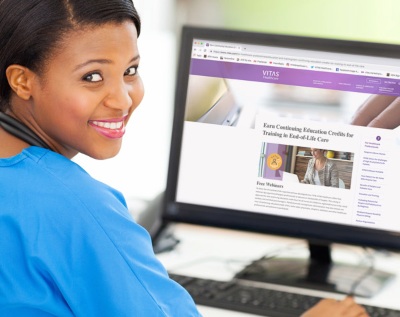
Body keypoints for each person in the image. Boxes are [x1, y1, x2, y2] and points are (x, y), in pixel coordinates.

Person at [0, 1, 368, 316]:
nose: (123, 100)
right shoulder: (76, 206)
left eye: (130, 71)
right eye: (93, 77)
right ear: (22, 81)